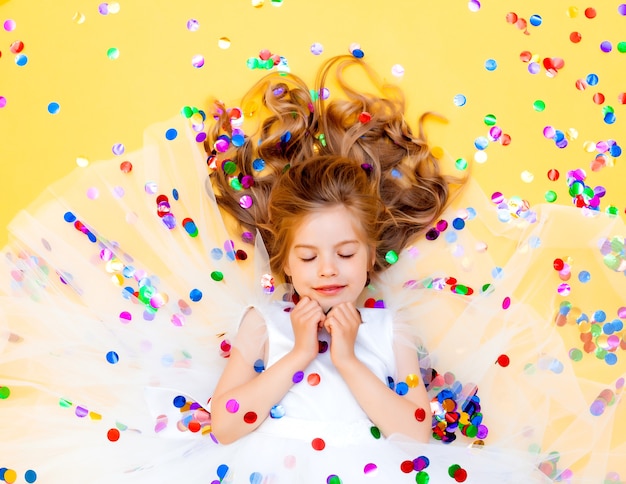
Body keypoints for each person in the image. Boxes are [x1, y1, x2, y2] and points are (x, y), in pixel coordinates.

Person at [0, 55, 624, 483]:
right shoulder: (262, 324)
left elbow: (417, 430)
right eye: (308, 256)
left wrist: (350, 358)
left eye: (346, 254)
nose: (328, 270)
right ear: (283, 258)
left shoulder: (391, 329)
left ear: (372, 255)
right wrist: (297, 355)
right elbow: (223, 426)